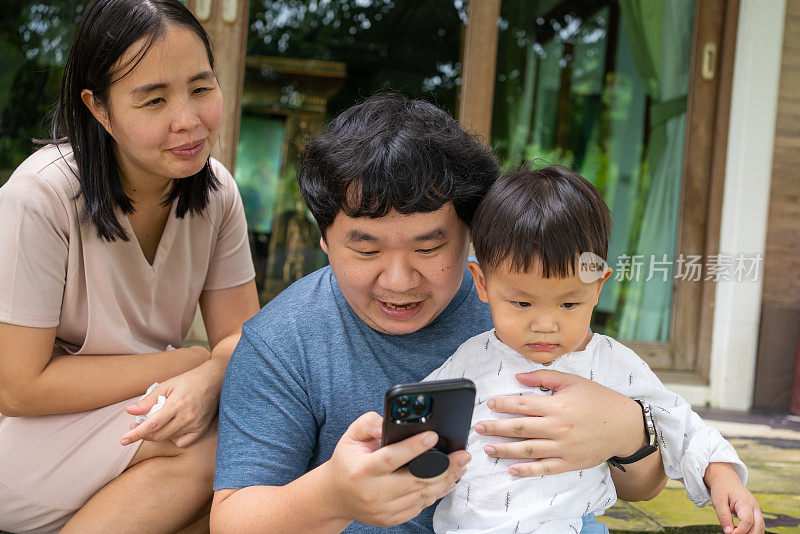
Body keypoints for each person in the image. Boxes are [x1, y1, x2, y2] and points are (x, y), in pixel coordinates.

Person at [211, 94, 669, 533]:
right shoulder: (281, 341)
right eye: (366, 249)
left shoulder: (526, 306)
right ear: (325, 240)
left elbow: (643, 488)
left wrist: (631, 431)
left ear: (472, 236)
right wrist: (333, 496)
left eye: (428, 247)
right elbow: (232, 521)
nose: (399, 280)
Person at [0, 1, 259, 532]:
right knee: (221, 454)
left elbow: (242, 341)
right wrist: (186, 362)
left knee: (253, 437)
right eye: (154, 100)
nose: (187, 120)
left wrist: (210, 375)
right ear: (99, 109)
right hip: (26, 436)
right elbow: (19, 387)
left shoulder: (216, 194)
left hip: (136, 417)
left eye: (201, 89)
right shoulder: (41, 196)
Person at [426, 166, 764, 534]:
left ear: (598, 286)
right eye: (521, 304)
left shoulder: (610, 362)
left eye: (569, 304)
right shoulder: (470, 358)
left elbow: (681, 425)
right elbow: (418, 422)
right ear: (482, 283)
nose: (545, 324)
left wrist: (724, 477)